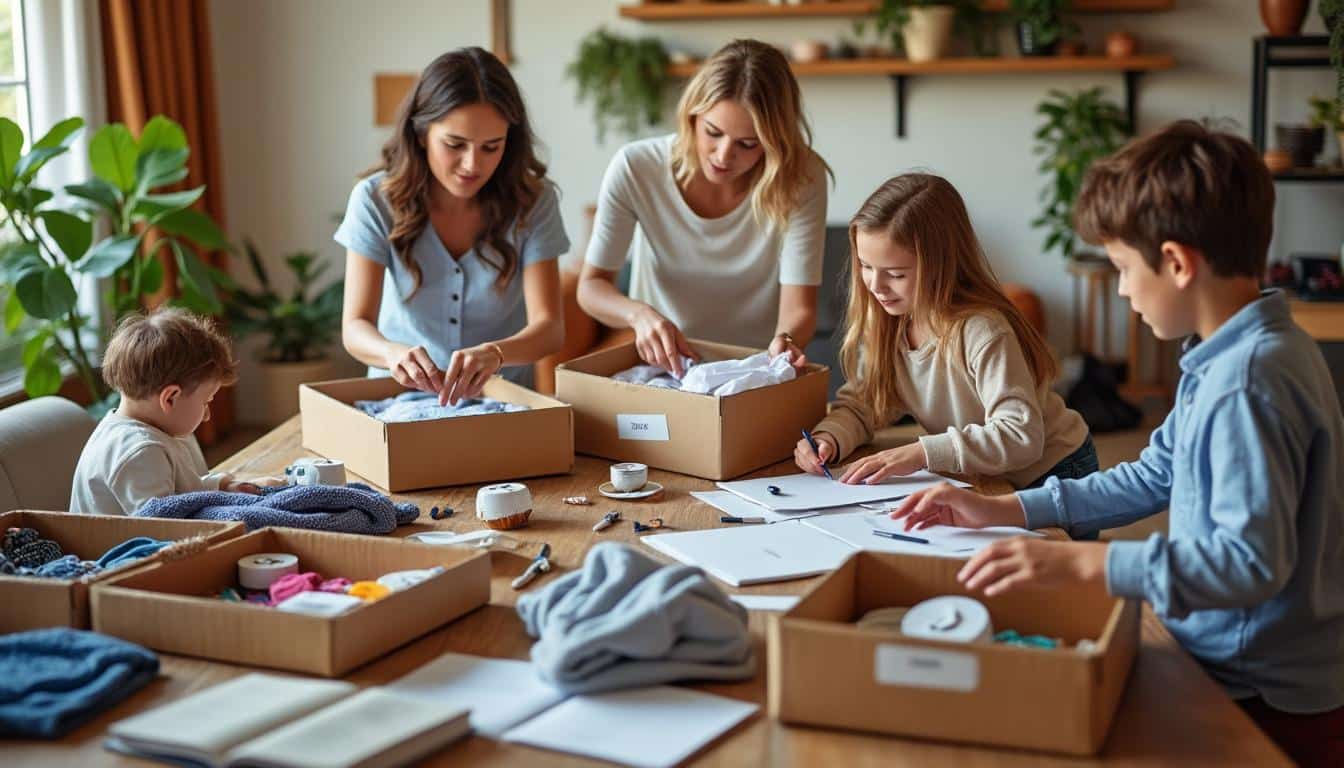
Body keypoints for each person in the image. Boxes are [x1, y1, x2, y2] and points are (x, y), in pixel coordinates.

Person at [890, 122, 1344, 768]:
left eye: (1125, 269)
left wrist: (1088, 566)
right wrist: (1011, 511)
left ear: (1178, 263)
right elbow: (1155, 475)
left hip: (1261, 691)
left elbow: (1248, 563)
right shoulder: (1233, 352)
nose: (1124, 290)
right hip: (1234, 659)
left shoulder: (1247, 383)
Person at [796, 174, 1095, 490]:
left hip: (1056, 473)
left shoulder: (983, 330)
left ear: (940, 266)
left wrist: (921, 453)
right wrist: (828, 437)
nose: (875, 286)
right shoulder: (889, 324)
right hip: (987, 477)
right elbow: (864, 404)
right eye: (866, 266)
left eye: (895, 274)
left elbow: (1020, 436)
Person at [577, 39, 829, 377]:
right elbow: (590, 287)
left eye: (747, 144)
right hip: (663, 368)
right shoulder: (636, 167)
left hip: (752, 370)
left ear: (773, 142)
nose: (724, 155)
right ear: (692, 116)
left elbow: (800, 308)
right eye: (713, 132)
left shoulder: (802, 176)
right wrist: (639, 316)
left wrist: (785, 341)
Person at [337, 47, 569, 404]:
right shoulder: (373, 200)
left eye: (491, 147)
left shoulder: (534, 202)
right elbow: (355, 327)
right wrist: (391, 354)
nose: (471, 164)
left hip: (504, 400)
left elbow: (550, 328)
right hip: (396, 399)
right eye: (455, 144)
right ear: (421, 134)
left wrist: (498, 353)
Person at [70, 309, 277, 516]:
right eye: (206, 402)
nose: (207, 415)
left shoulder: (153, 429)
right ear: (170, 398)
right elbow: (166, 525)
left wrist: (223, 487)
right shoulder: (140, 451)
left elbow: (181, 496)